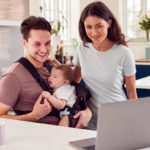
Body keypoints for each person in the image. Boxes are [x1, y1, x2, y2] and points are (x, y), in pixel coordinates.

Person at [0, 16, 91, 128]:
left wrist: (87, 111)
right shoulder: (13, 76)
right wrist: (33, 116)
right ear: (24, 43)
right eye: (37, 44)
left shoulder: (51, 66)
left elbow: (69, 92)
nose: (44, 50)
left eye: (47, 43)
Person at [73, 1, 137, 130]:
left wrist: (135, 120)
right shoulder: (82, 48)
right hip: (91, 119)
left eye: (99, 26)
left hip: (119, 116)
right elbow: (74, 81)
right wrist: (59, 70)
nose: (94, 32)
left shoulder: (124, 53)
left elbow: (131, 92)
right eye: (88, 27)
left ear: (109, 23)